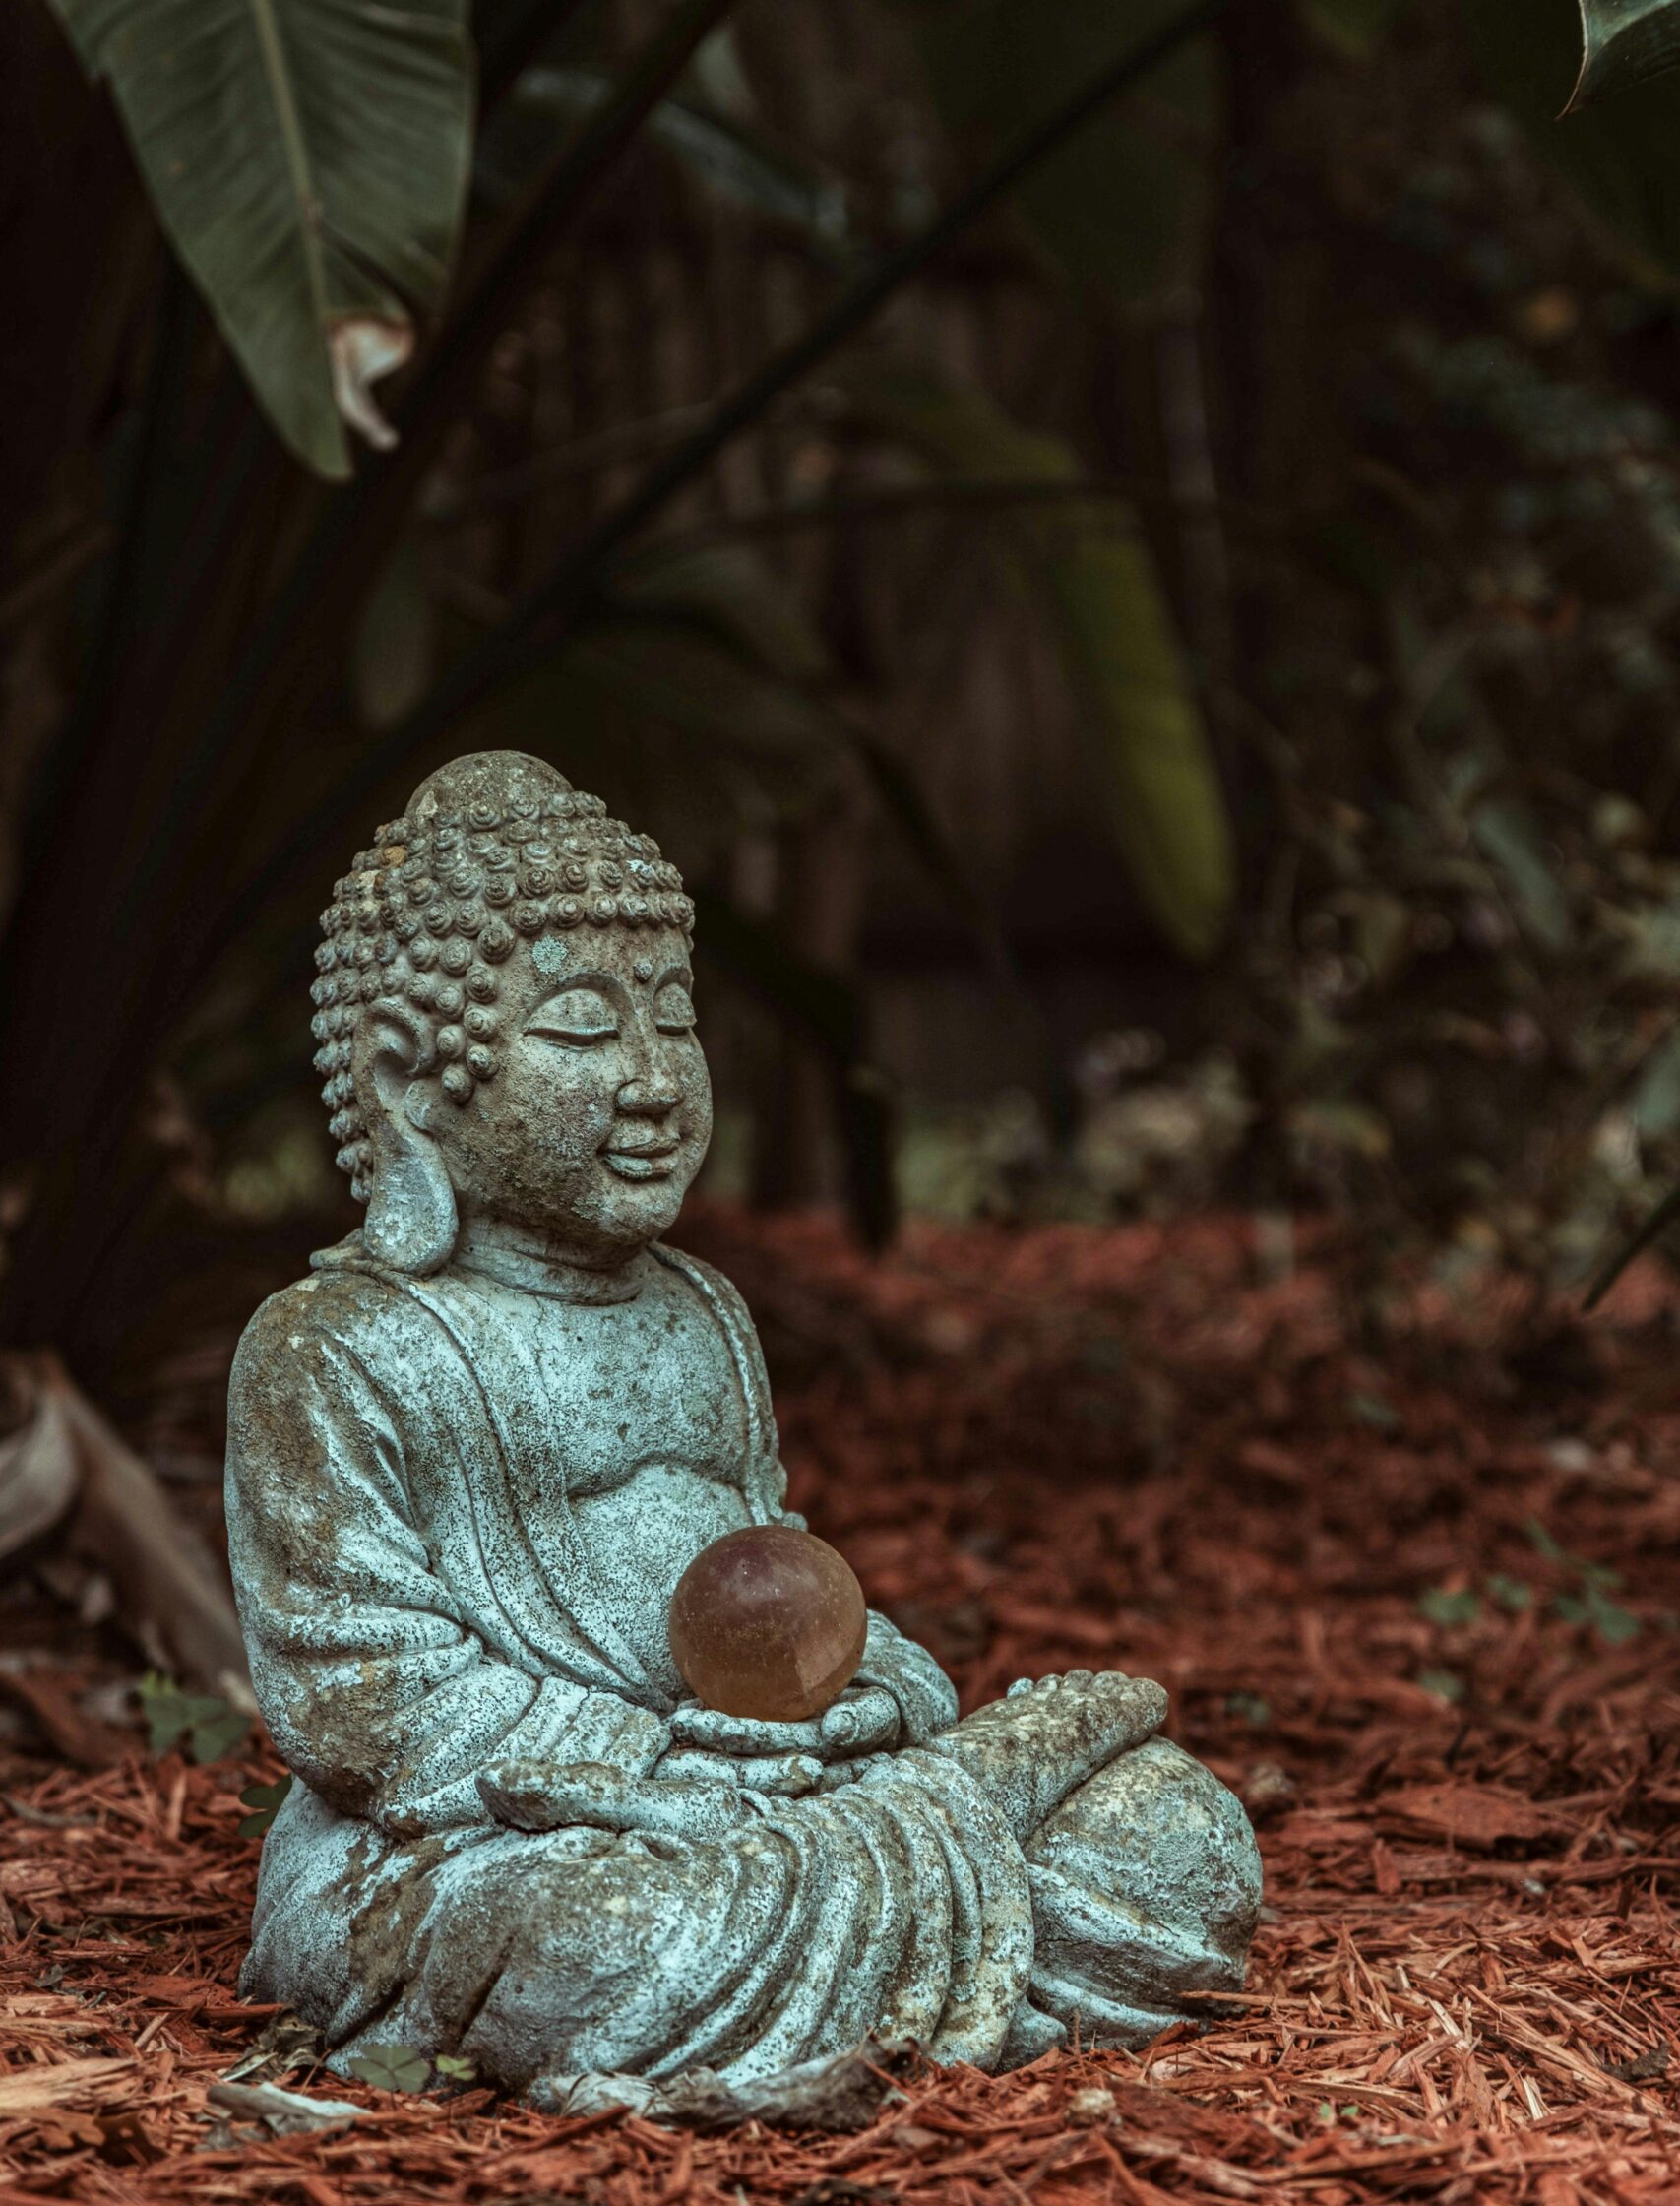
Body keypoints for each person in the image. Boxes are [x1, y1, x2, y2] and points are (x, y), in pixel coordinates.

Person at [226, 750, 1260, 2111]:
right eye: (584, 1030)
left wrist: (874, 1691)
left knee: (1176, 1835)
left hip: (778, 1779)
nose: (656, 1080)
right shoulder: (334, 1346)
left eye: (673, 1020)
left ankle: (847, 1966)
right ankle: (914, 1956)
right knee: (592, 1940)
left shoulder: (703, 1313)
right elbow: (362, 1700)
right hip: (506, 1834)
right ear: (414, 1083)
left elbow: (777, 1571)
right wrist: (656, 1767)